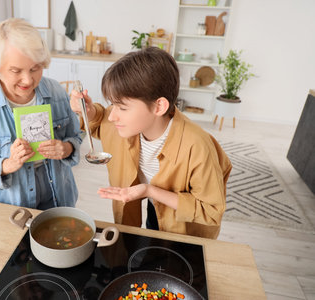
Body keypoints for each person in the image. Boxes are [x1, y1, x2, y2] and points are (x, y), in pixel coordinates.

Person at [70, 47, 232, 239]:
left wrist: (150, 191)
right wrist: (88, 112)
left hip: (183, 225)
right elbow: (101, 120)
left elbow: (211, 211)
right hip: (151, 204)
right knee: (151, 232)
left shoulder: (198, 146)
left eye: (122, 107)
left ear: (159, 106)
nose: (113, 115)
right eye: (112, 104)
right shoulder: (126, 126)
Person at [0, 18, 81, 209]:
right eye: (16, 70)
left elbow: (76, 135)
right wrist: (7, 164)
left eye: (35, 68)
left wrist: (67, 148)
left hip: (60, 196)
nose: (28, 80)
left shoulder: (56, 92)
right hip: (12, 205)